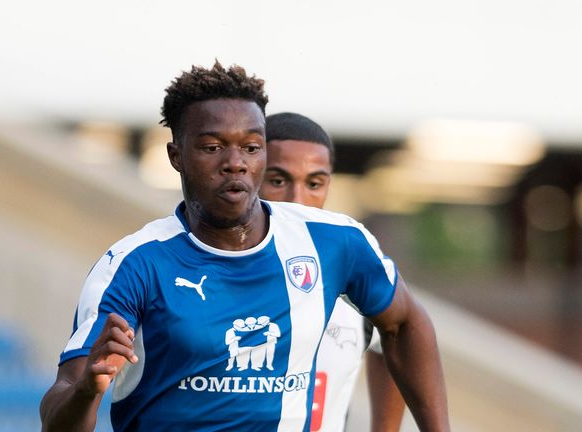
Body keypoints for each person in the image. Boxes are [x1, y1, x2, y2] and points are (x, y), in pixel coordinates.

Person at [40, 61, 449, 432]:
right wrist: (87, 391)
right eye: (213, 147)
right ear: (176, 155)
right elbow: (59, 413)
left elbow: (404, 323)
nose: (235, 162)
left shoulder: (334, 241)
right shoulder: (134, 264)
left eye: (251, 148)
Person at [261, 112, 406, 431]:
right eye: (277, 180)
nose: (297, 200)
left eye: (314, 183)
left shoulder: (353, 271)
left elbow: (400, 334)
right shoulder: (207, 266)